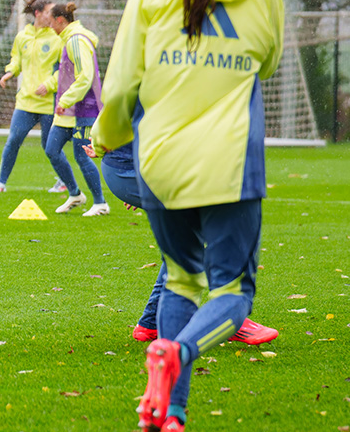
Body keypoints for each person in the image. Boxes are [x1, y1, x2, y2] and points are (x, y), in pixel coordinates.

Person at [89, 0, 284, 432]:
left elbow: (121, 85)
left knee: (180, 280)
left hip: (161, 160)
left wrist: (106, 138)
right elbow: (269, 62)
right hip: (230, 161)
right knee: (232, 293)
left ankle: (168, 418)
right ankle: (179, 350)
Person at [88, 141, 279, 345]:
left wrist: (137, 183)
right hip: (138, 170)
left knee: (185, 240)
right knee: (220, 222)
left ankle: (151, 323)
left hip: (134, 171)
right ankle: (229, 315)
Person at [35, 2, 108, 216]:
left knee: (82, 155)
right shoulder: (68, 40)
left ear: (60, 20)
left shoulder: (77, 40)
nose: (50, 28)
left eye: (51, 23)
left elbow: (85, 76)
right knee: (52, 149)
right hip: (68, 111)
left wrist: (65, 99)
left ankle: (100, 203)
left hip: (85, 110)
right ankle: (75, 194)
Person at [0, 0, 67, 194]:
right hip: (25, 101)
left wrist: (49, 85)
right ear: (38, 13)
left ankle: (64, 181)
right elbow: (16, 59)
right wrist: (10, 72)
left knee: (50, 146)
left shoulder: (58, 38)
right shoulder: (22, 36)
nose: (53, 16)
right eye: (49, 12)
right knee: (14, 140)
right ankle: (0, 183)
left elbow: (64, 69)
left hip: (49, 102)